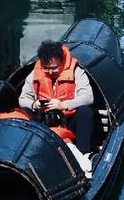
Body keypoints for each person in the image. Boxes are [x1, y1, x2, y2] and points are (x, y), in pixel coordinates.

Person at [18, 39, 95, 171]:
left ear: (61, 61)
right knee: (24, 111)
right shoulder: (34, 75)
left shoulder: (77, 72)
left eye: (54, 68)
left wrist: (63, 105)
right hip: (44, 122)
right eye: (46, 68)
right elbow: (22, 99)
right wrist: (34, 104)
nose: (50, 72)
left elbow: (88, 97)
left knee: (85, 111)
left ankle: (83, 155)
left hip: (69, 120)